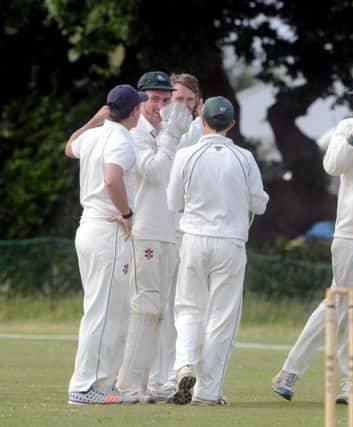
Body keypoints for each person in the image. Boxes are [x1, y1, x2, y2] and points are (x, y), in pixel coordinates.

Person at [271, 72, 353, 403]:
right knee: (340, 303)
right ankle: (296, 370)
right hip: (351, 231)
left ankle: (349, 384)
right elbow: (332, 166)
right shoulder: (344, 127)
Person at [167, 96, 269, 405]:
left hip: (194, 239)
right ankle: (208, 393)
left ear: (203, 121)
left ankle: (184, 364)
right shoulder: (244, 158)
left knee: (188, 308)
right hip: (231, 243)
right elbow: (260, 204)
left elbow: (174, 203)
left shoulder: (185, 155)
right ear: (232, 124)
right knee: (222, 317)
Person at [65, 84, 147, 405]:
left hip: (88, 229)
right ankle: (86, 388)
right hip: (108, 231)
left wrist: (93, 120)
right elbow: (112, 178)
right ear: (134, 112)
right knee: (105, 312)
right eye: (139, 106)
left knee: (103, 309)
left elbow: (69, 145)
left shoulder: (95, 135)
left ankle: (97, 384)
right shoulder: (121, 140)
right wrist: (126, 212)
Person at [116, 71, 192, 402]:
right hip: (144, 231)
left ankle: (154, 384)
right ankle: (128, 385)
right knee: (145, 306)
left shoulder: (166, 133)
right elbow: (158, 172)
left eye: (165, 99)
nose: (160, 106)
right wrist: (172, 136)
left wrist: (173, 135)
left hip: (168, 233)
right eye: (154, 99)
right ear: (141, 100)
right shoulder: (137, 135)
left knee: (161, 310)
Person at [146, 72, 204, 400]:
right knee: (158, 306)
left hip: (188, 230)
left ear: (197, 103)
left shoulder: (200, 131)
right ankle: (158, 379)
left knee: (183, 307)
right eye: (175, 99)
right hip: (159, 229)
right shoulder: (158, 131)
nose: (180, 105)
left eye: (186, 100)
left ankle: (177, 376)